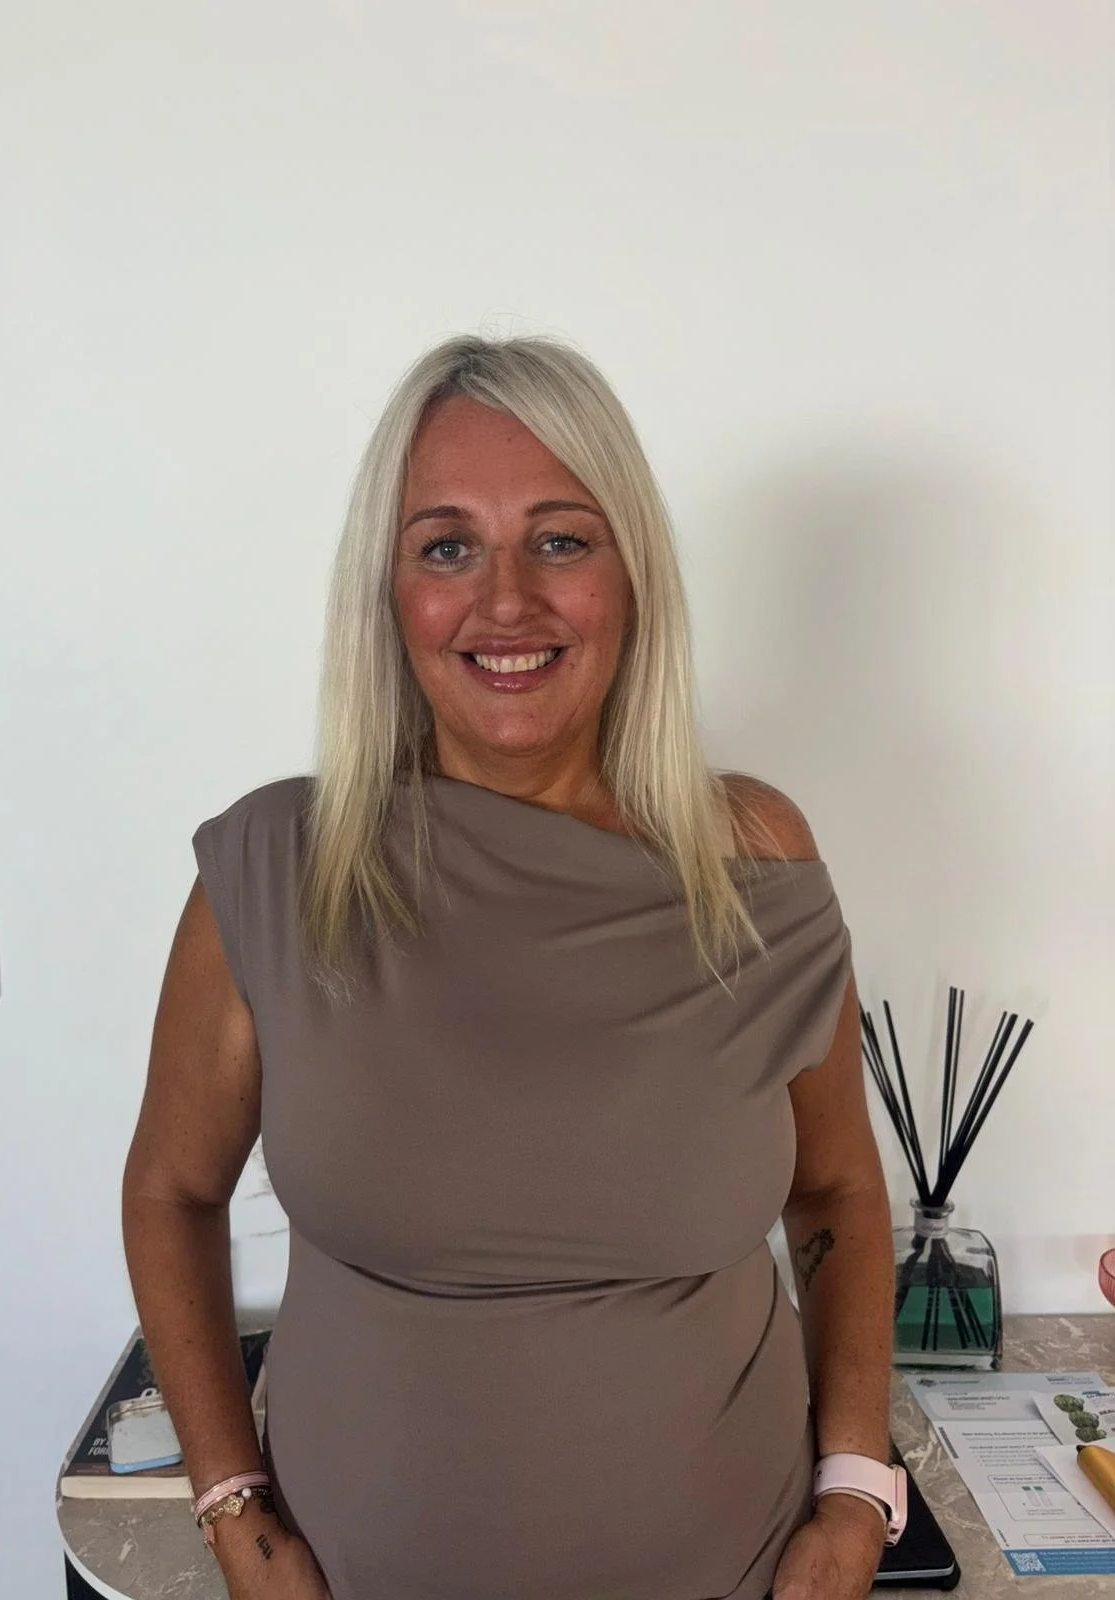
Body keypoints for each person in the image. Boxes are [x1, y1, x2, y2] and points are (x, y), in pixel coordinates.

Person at [122, 335, 898, 1600]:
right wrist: (234, 1513)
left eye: (559, 538)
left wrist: (857, 1495)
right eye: (446, 547)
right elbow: (168, 1189)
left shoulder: (752, 857)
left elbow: (841, 1195)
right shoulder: (277, 866)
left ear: (632, 572)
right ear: (388, 592)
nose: (505, 604)